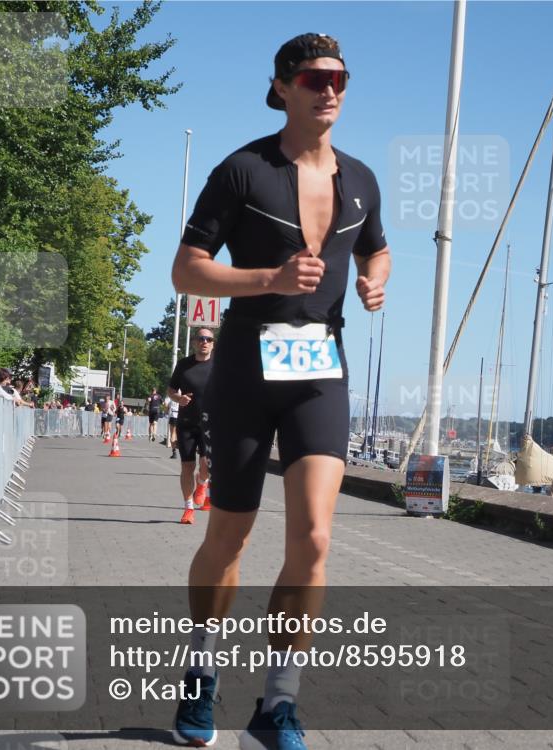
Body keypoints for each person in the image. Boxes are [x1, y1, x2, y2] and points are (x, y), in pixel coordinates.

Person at [169, 32, 390, 750]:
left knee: (316, 538)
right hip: (244, 367)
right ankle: (200, 673)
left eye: (340, 79)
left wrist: (374, 277)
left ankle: (277, 705)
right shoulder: (243, 170)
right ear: (283, 86)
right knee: (228, 533)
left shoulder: (360, 179)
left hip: (318, 369)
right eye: (314, 77)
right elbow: (186, 270)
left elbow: (376, 245)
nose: (330, 89)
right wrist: (266, 280)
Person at [167, 328, 215, 524]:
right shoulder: (184, 365)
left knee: (206, 465)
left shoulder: (220, 364)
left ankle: (202, 483)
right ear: (194, 342)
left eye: (208, 339)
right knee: (187, 466)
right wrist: (178, 398)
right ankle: (188, 508)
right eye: (201, 338)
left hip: (211, 423)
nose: (204, 342)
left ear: (213, 343)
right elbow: (170, 390)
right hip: (186, 423)